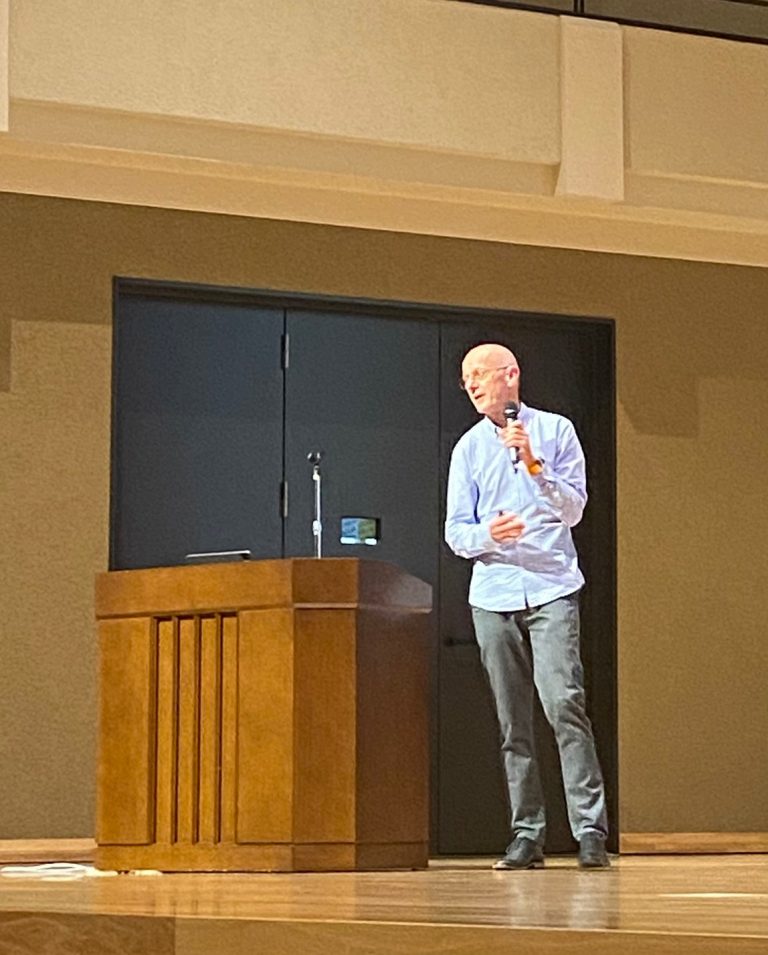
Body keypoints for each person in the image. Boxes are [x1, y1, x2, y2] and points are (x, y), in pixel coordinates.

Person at [445, 342, 609, 870]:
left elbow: (575, 510)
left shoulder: (556, 431)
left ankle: (590, 830)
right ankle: (527, 833)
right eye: (466, 378)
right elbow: (455, 532)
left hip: (550, 588)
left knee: (564, 705)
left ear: (510, 374)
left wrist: (535, 464)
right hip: (493, 595)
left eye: (480, 374)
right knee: (512, 720)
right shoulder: (468, 449)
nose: (472, 385)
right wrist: (486, 535)